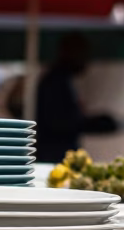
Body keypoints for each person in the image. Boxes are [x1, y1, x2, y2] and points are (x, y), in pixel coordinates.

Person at [36, 34, 116, 163]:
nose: (86, 59)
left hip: (59, 154)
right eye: (82, 53)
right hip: (53, 156)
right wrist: (93, 123)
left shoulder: (62, 80)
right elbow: (58, 123)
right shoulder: (55, 82)